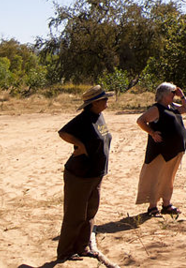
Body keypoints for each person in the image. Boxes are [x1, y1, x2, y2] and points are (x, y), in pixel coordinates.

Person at [56, 85, 113, 262]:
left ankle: (81, 247)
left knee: (90, 212)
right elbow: (63, 132)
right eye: (104, 99)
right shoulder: (84, 119)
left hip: (95, 174)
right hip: (79, 175)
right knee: (75, 215)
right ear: (94, 103)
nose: (107, 101)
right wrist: (79, 145)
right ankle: (65, 251)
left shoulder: (99, 116)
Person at [135, 82, 186, 216]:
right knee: (156, 177)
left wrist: (182, 95)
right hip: (161, 152)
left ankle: (167, 204)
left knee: (168, 178)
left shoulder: (171, 107)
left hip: (174, 150)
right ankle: (152, 207)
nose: (174, 95)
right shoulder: (157, 109)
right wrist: (152, 133)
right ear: (163, 94)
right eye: (172, 93)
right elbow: (140, 120)